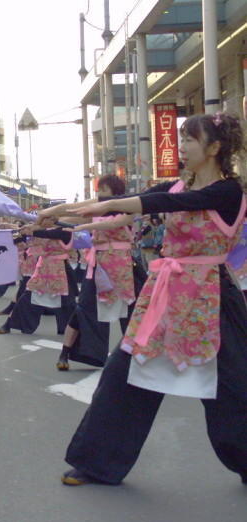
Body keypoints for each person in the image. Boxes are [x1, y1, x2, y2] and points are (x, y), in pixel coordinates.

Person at [60, 112, 247, 487]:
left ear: (214, 148)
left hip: (213, 297)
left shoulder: (229, 191)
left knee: (234, 389)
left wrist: (104, 206)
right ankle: (97, 463)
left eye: (190, 139)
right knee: (124, 374)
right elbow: (141, 199)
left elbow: (166, 203)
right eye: (181, 138)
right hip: (165, 294)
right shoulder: (178, 186)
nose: (182, 145)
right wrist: (71, 212)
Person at [38, 175, 147, 371]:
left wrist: (86, 226)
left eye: (103, 191)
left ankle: (133, 355)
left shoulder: (129, 209)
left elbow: (112, 224)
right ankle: (65, 353)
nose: (99, 196)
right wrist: (53, 220)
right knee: (83, 310)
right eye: (99, 192)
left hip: (122, 268)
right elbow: (74, 215)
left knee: (129, 313)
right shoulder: (95, 212)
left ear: (115, 192)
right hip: (98, 267)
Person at [0, 223, 77, 335]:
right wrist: (23, 233)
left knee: (67, 303)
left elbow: (49, 234)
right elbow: (29, 242)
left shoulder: (65, 230)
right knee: (27, 297)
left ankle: (69, 329)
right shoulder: (45, 230)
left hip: (61, 270)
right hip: (43, 269)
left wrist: (32, 230)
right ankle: (9, 324)